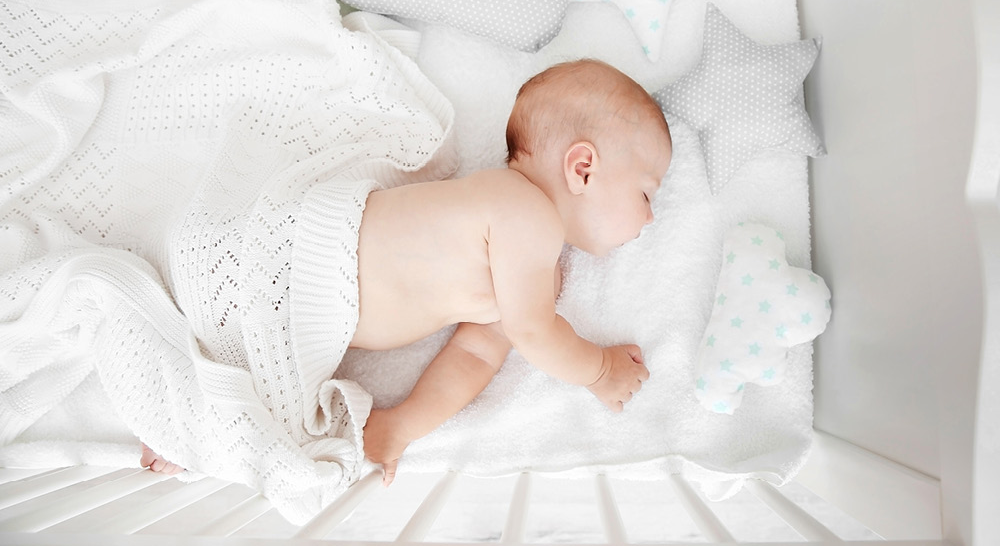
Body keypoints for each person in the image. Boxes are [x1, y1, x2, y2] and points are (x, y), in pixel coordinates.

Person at [142, 58, 672, 485]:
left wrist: (404, 424)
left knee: (229, 359)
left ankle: (177, 405)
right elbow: (534, 334)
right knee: (247, 395)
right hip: (305, 254)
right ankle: (178, 417)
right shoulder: (521, 211)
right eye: (645, 193)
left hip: (310, 315)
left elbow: (475, 353)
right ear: (583, 168)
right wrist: (600, 370)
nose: (651, 216)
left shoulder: (536, 269)